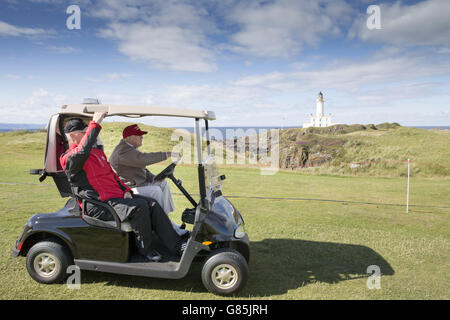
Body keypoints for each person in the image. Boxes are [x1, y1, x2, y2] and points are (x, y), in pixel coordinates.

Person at [59, 112, 187, 262]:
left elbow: (113, 176)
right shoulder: (69, 158)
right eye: (84, 132)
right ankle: (146, 249)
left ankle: (176, 245)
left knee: (152, 204)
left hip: (115, 199)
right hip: (98, 204)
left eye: (88, 131)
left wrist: (126, 191)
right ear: (73, 136)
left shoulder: (96, 153)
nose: (88, 135)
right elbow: (82, 151)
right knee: (140, 207)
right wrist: (95, 123)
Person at [109, 124, 187, 236]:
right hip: (127, 190)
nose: (142, 137)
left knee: (163, 183)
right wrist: (167, 154)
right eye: (139, 135)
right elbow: (143, 159)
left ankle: (166, 222)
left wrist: (154, 178)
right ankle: (166, 227)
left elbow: (141, 169)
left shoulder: (130, 149)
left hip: (137, 185)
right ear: (129, 137)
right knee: (155, 190)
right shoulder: (123, 151)